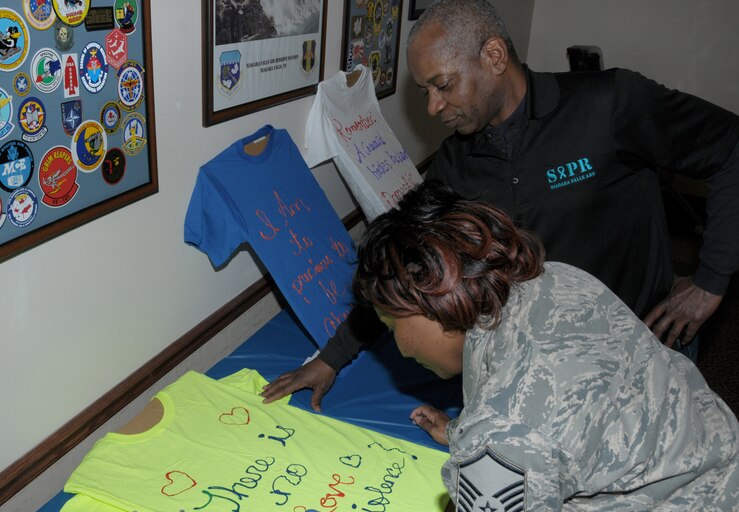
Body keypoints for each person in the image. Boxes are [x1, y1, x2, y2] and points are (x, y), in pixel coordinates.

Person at [261, 0, 739, 409]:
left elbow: (730, 148)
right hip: (543, 373)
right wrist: (331, 358)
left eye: (442, 85)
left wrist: (710, 281)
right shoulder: (455, 164)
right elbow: (404, 270)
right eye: (425, 91)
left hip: (644, 352)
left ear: (493, 56)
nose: (432, 107)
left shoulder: (610, 105)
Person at [281, 180, 739, 512]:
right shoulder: (556, 278)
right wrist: (467, 434)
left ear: (437, 301)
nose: (398, 348)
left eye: (390, 321)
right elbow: (581, 415)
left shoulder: (506, 434)